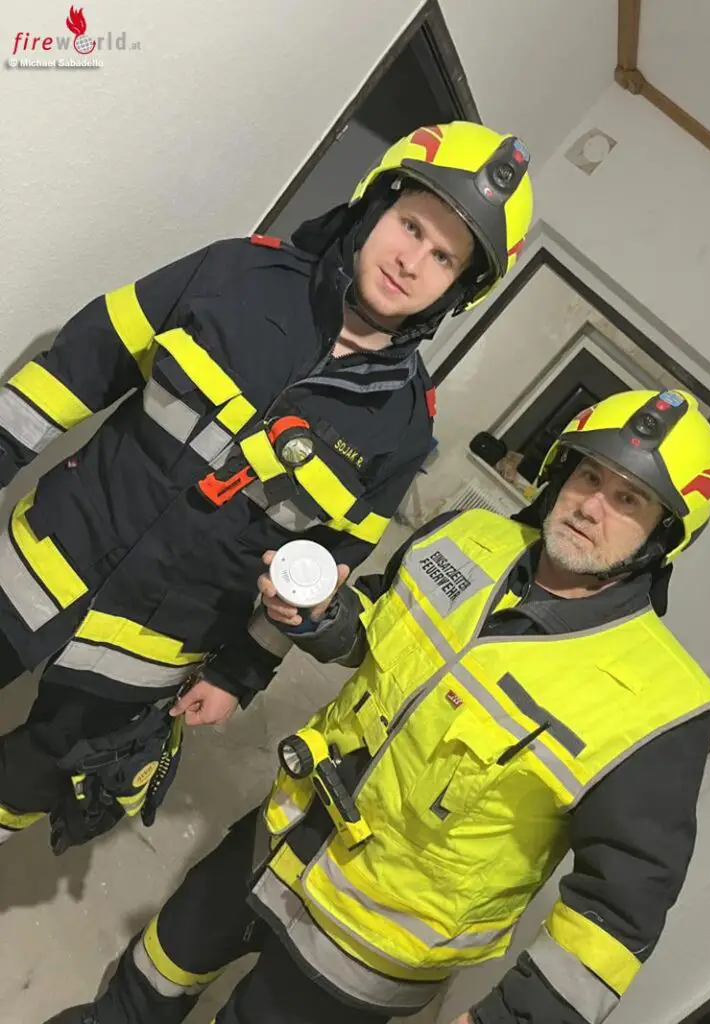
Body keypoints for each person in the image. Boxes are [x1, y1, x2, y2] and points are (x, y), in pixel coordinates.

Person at [50, 388, 710, 1024]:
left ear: (662, 533)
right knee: (155, 969)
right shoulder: (468, 538)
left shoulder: (658, 702)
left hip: (368, 949)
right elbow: (373, 622)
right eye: (589, 476)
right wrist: (323, 616)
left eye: (628, 499)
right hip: (279, 833)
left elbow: (620, 912)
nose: (591, 506)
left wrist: (510, 1017)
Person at [0, 121, 534, 855]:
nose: (411, 262)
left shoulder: (404, 428)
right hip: (36, 564)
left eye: (443, 257)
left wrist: (238, 674)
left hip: (147, 649)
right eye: (411, 226)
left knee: (28, 779)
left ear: (459, 290)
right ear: (376, 203)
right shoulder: (236, 272)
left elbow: (323, 568)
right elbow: (82, 362)